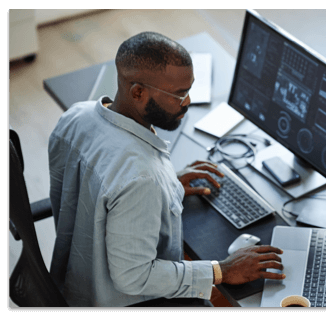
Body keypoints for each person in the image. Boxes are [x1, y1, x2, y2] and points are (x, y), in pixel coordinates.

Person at [48, 31, 284, 307]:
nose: (188, 102)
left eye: (189, 89)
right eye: (178, 95)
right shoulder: (142, 177)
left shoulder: (76, 116)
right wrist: (222, 270)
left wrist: (168, 187)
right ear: (138, 92)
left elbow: (98, 188)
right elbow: (133, 278)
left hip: (74, 277)